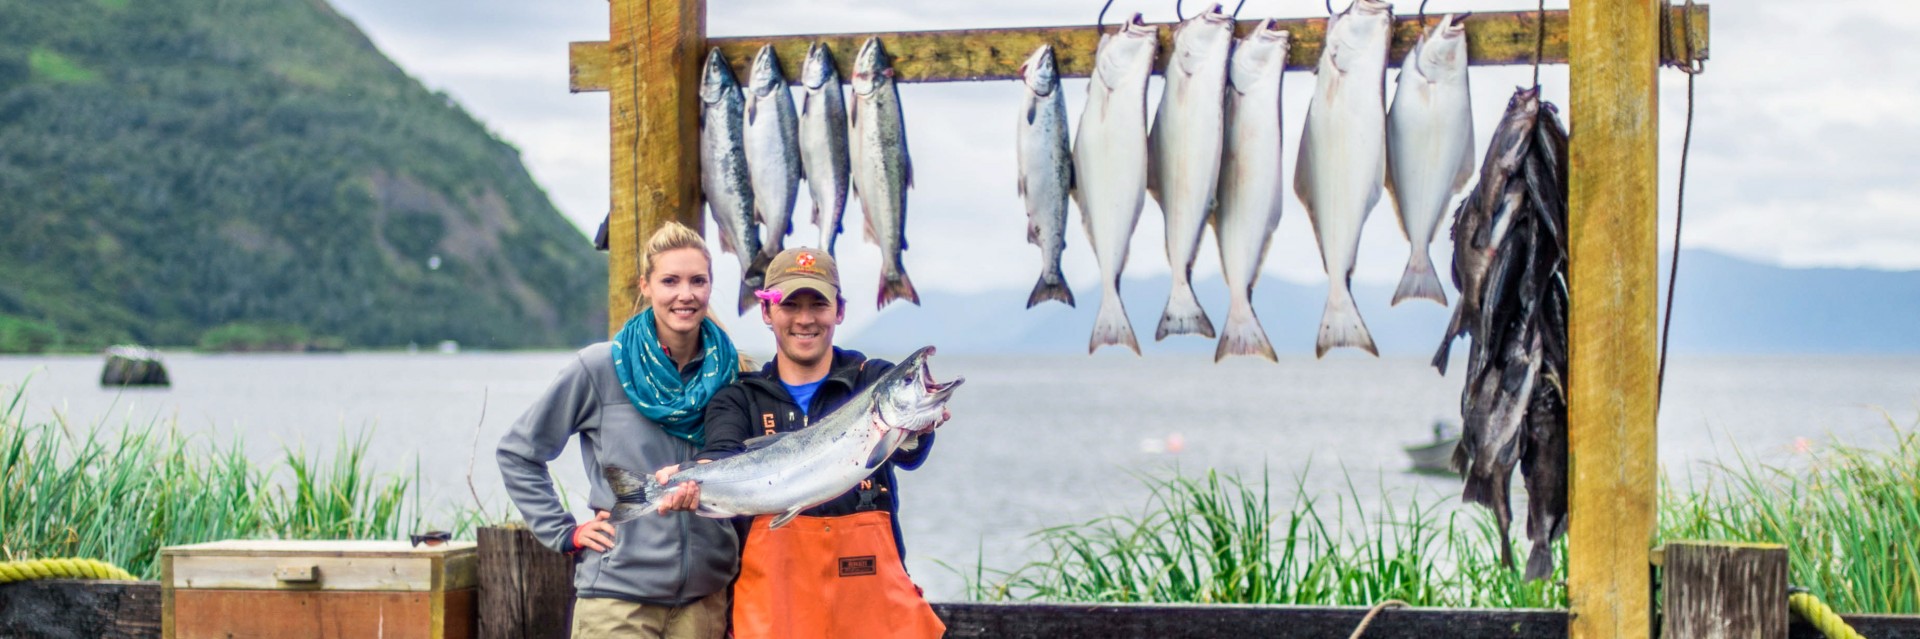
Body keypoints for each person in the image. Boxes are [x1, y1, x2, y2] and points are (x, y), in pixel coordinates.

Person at [655, 247, 947, 639]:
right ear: (766, 312)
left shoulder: (871, 380)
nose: (805, 319)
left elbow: (909, 455)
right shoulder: (740, 398)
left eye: (818, 305)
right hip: (777, 614)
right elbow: (719, 455)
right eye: (790, 305)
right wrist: (692, 480)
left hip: (873, 609)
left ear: (839, 311)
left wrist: (920, 428)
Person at [497, 222, 741, 639]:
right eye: (670, 281)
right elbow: (519, 453)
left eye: (698, 281)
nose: (686, 294)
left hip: (705, 603)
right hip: (617, 602)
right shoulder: (599, 368)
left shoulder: (733, 374)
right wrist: (565, 532)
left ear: (710, 286)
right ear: (645, 286)